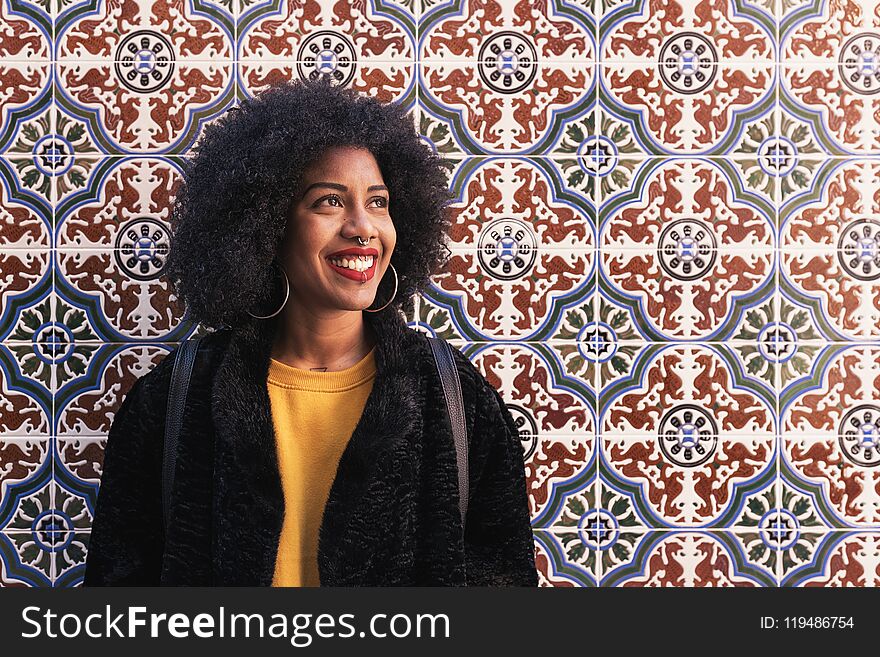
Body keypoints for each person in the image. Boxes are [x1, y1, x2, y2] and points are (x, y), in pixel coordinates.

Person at [83, 76, 538, 586]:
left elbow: (505, 581)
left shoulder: (452, 393)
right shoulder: (177, 397)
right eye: (329, 201)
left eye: (380, 202)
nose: (363, 227)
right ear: (267, 224)